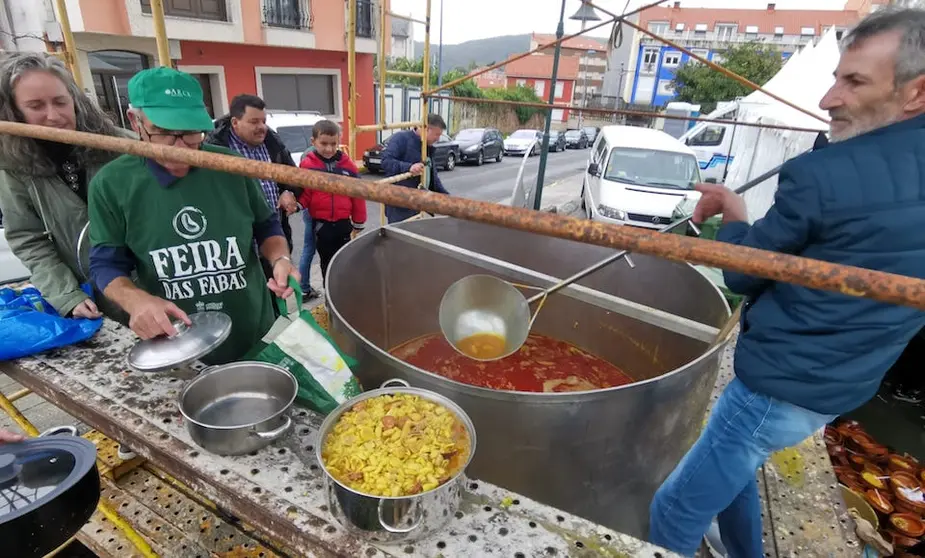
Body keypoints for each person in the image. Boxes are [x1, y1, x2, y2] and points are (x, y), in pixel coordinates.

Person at [648, 8, 925, 557]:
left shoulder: (824, 176)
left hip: (778, 387)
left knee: (673, 511)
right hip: (845, 385)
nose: (828, 99)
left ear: (916, 94)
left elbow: (742, 272)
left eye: (854, 82)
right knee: (734, 470)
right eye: (835, 78)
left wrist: (734, 215)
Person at [88, 67, 298, 364]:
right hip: (175, 339)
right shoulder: (111, 184)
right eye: (165, 133)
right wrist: (136, 301)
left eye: (190, 133)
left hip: (252, 328)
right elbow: (105, 263)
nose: (181, 148)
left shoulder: (231, 165)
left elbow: (266, 226)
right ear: (136, 121)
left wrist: (281, 260)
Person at [0, 53, 132, 320]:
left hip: (151, 288)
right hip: (92, 301)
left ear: (76, 101)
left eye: (61, 102)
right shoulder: (14, 167)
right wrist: (66, 294)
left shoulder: (124, 148)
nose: (53, 116)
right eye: (36, 106)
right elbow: (28, 239)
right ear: (14, 111)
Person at [204, 94, 315, 296]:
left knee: (277, 292)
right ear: (235, 122)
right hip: (236, 240)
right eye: (254, 121)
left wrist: (287, 191)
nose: (262, 127)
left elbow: (293, 177)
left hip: (273, 234)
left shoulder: (272, 143)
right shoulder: (215, 150)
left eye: (263, 121)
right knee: (247, 296)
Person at [297, 120, 366, 285]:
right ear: (313, 142)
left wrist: (359, 221)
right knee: (326, 263)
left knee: (345, 260)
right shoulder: (307, 165)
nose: (329, 149)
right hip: (322, 225)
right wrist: (297, 204)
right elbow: (305, 192)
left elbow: (357, 194)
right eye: (324, 144)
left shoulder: (348, 166)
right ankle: (329, 295)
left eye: (333, 144)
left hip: (343, 224)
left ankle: (345, 293)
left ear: (339, 141)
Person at [380, 113, 450, 223]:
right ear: (425, 129)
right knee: (399, 237)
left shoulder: (427, 146)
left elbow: (432, 178)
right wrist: (409, 167)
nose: (438, 138)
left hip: (416, 204)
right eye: (437, 134)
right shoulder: (401, 138)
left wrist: (448, 199)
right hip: (399, 205)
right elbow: (386, 162)